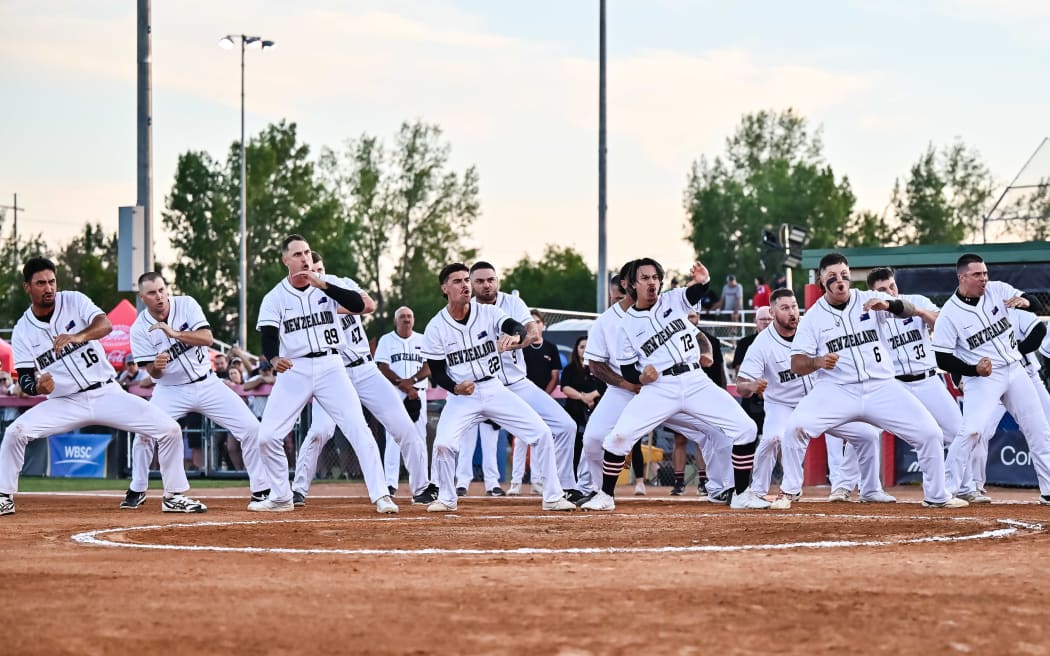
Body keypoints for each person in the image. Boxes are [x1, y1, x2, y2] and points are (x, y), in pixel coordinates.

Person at [0, 257, 206, 516]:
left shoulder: (73, 300)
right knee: (15, 432)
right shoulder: (22, 330)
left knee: (170, 430)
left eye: (52, 281)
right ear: (27, 288)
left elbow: (105, 324)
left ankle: (174, 496)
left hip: (106, 392)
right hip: (65, 402)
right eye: (41, 283)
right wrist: (39, 387)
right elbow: (26, 378)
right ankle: (3, 496)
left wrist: (78, 336)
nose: (49, 288)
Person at [582, 258, 765, 511]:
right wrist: (642, 378)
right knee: (618, 438)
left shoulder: (672, 300)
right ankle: (605, 495)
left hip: (695, 381)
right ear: (633, 285)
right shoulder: (626, 326)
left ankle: (741, 494)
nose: (652, 282)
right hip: (660, 387)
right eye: (645, 278)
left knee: (745, 428)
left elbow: (696, 292)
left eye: (655, 277)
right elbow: (627, 371)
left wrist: (704, 280)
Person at [784, 252, 965, 508]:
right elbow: (796, 364)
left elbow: (908, 310)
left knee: (930, 433)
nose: (840, 281)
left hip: (881, 386)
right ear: (821, 283)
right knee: (796, 428)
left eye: (844, 275)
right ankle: (790, 491)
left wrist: (889, 305)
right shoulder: (813, 317)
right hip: (838, 389)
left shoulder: (869, 298)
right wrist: (817, 362)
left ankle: (936, 495)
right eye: (832, 277)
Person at [254, 234, 395, 513]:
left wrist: (324, 284)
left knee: (358, 428)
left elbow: (358, 306)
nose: (304, 258)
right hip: (295, 368)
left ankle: (381, 496)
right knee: (267, 437)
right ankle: (282, 496)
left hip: (332, 365)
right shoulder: (275, 297)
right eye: (297, 254)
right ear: (285, 261)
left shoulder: (328, 285)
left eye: (306, 252)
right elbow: (269, 334)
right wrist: (273, 358)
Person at [420, 263, 575, 512]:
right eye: (458, 281)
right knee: (443, 444)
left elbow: (514, 326)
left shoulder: (487, 313)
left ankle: (553, 496)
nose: (464, 286)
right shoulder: (436, 327)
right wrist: (455, 387)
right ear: (445, 288)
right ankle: (447, 498)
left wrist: (515, 336)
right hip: (463, 397)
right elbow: (437, 371)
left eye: (465, 281)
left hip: (494, 388)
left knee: (542, 433)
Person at [119, 272, 275, 509]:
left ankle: (261, 489)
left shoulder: (186, 304)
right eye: (152, 293)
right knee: (145, 433)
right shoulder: (139, 328)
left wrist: (175, 334)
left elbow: (207, 338)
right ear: (142, 297)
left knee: (251, 428)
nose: (159, 296)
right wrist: (156, 368)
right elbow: (152, 372)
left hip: (207, 383)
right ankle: (138, 487)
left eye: (162, 290)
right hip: (170, 389)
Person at [291, 252, 431, 507]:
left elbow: (368, 305)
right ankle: (298, 489)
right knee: (319, 431)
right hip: (332, 374)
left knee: (404, 427)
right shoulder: (302, 302)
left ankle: (421, 487)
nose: (315, 274)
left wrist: (330, 294)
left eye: (319, 269)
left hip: (365, 369)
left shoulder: (341, 283)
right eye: (310, 271)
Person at [736, 288, 895, 509]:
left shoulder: (811, 328)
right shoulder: (762, 344)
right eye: (784, 308)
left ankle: (870, 489)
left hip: (819, 401)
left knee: (867, 435)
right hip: (783, 405)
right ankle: (757, 491)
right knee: (773, 437)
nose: (792, 312)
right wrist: (751, 385)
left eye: (794, 306)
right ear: (772, 312)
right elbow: (741, 384)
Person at [932, 253, 1050, 505]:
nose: (984, 278)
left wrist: (1028, 302)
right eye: (977, 274)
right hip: (984, 378)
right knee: (973, 430)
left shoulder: (998, 290)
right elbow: (942, 358)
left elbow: (1033, 305)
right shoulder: (950, 314)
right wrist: (973, 370)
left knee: (1038, 429)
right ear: (962, 277)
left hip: (1015, 369)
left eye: (985, 273)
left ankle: (1048, 489)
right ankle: (944, 491)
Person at [865, 266, 975, 501]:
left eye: (891, 285)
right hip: (892, 385)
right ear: (872, 292)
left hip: (927, 379)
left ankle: (962, 487)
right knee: (865, 432)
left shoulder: (915, 301)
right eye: (882, 289)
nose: (890, 291)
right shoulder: (871, 312)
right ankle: (853, 487)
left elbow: (943, 325)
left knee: (959, 431)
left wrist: (919, 313)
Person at [469, 268, 575, 500]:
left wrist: (518, 339)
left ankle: (566, 486)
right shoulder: (466, 309)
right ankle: (436, 485)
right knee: (448, 439)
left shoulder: (512, 302)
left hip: (517, 383)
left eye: (490, 280)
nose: (486, 285)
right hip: (480, 387)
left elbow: (533, 330)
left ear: (497, 281)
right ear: (471, 284)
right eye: (479, 281)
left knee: (566, 426)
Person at [374, 305, 431, 495]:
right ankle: (390, 483)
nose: (407, 319)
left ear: (413, 320)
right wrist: (403, 385)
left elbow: (429, 366)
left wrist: (412, 383)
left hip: (418, 391)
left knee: (419, 437)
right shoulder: (387, 340)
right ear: (395, 320)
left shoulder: (423, 339)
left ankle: (422, 483)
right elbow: (382, 367)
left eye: (409, 316)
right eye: (403, 317)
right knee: (393, 437)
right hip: (395, 393)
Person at [559, 336, 605, 488]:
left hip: (596, 411)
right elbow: (565, 387)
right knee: (575, 447)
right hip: (575, 412)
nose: (584, 350)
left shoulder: (598, 368)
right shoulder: (570, 369)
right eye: (581, 347)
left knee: (593, 446)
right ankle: (572, 482)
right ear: (576, 349)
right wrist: (582, 397)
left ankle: (595, 483)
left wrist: (592, 395)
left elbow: (605, 386)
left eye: (587, 346)